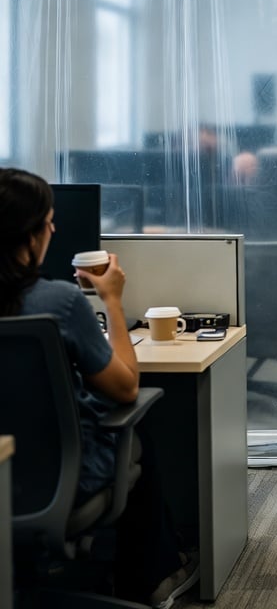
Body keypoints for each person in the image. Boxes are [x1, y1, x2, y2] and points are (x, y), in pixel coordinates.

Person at [0, 168, 199, 608]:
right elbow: (126, 387)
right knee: (132, 422)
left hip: (5, 470)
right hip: (50, 480)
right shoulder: (59, 302)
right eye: (49, 222)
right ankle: (151, 576)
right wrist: (111, 301)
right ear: (31, 237)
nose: (53, 230)